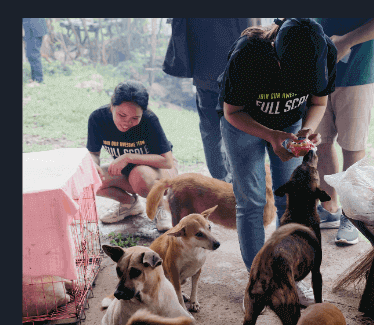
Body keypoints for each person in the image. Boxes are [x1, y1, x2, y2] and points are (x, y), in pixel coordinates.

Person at [218, 18, 335, 280]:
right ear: (276, 54)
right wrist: (271, 135)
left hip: (290, 122)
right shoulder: (249, 53)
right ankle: (259, 278)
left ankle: (286, 274)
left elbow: (318, 103)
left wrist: (306, 129)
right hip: (243, 123)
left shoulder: (325, 51)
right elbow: (232, 112)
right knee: (252, 201)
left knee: (291, 198)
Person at [312, 18, 374, 245]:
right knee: (320, 143)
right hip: (315, 69)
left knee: (352, 147)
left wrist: (345, 42)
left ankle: (352, 216)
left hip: (357, 70)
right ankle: (329, 209)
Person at [163, 18, 256, 182]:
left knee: (211, 129)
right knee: (240, 125)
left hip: (206, 67)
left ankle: (223, 180)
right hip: (238, 66)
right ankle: (238, 182)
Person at [87, 80, 178, 230]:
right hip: (128, 172)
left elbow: (167, 161)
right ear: (112, 106)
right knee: (90, 180)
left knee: (139, 175)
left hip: (161, 174)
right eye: (122, 115)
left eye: (135, 118)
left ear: (143, 112)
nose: (126, 123)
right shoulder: (98, 118)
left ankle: (161, 209)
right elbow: (93, 153)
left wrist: (128, 157)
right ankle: (129, 204)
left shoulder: (149, 120)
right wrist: (93, 165)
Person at [24, 18, 47, 85]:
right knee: (30, 54)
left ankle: (38, 80)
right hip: (30, 29)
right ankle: (34, 78)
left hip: (35, 29)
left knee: (34, 54)